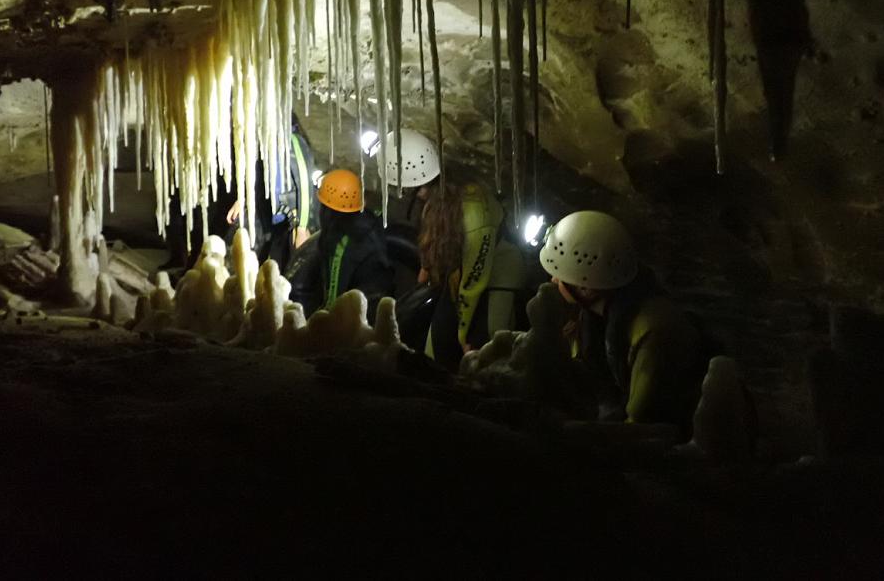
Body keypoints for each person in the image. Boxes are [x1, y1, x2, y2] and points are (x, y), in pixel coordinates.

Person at [539, 210, 708, 432]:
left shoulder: (654, 331)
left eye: (560, 276)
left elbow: (642, 422)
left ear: (585, 288)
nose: (553, 280)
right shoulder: (594, 315)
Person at [377, 128, 525, 369]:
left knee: (488, 348)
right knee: (435, 346)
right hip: (459, 274)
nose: (414, 195)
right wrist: (426, 271)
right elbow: (435, 241)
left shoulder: (474, 212)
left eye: (414, 189)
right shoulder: (436, 203)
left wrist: (464, 334)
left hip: (496, 275)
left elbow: (475, 278)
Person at [289, 168, 394, 321]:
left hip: (360, 316)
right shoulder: (369, 221)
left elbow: (334, 294)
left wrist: (322, 321)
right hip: (377, 305)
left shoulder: (343, 245)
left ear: (327, 209)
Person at [226, 117, 319, 268]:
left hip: (295, 215)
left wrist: (302, 227)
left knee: (291, 265)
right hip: (272, 210)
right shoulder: (265, 144)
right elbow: (257, 174)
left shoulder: (294, 142)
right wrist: (242, 199)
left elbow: (304, 183)